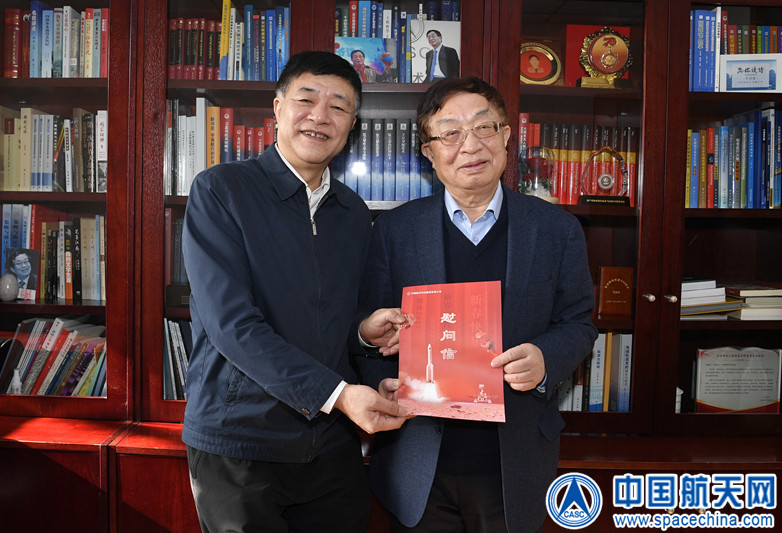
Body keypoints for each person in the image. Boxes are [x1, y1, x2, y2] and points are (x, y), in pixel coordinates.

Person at [356, 76, 598, 532]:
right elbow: (368, 333)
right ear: (429, 152)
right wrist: (381, 382)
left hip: (515, 461)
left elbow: (579, 324)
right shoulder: (394, 231)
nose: (470, 145)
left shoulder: (556, 229)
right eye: (450, 133)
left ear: (506, 136)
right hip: (418, 462)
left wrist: (545, 359)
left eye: (484, 127)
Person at [181, 50, 408, 533]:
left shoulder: (353, 212)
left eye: (339, 107)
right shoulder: (221, 191)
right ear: (279, 108)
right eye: (306, 100)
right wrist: (339, 395)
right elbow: (231, 325)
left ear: (351, 125)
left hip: (331, 446)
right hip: (241, 442)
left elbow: (330, 318)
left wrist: (363, 333)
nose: (320, 116)